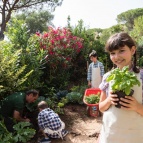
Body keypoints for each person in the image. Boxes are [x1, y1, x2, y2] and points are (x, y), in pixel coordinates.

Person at [98, 32, 143, 143]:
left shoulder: (141, 76)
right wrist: (109, 100)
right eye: (112, 53)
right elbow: (101, 107)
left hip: (135, 135)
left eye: (121, 51)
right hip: (110, 133)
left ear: (132, 50)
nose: (116, 57)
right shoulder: (108, 77)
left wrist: (137, 107)